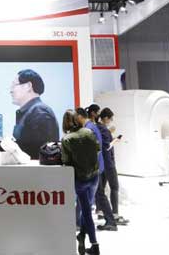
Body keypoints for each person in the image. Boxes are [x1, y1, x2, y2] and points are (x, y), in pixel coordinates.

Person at [61, 109, 101, 255]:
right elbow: (98, 149)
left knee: (86, 212)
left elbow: (66, 161)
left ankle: (95, 245)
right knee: (87, 209)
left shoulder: (66, 139)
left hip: (80, 180)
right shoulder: (89, 132)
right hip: (94, 176)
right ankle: (82, 236)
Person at [77, 107, 116, 231]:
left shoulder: (89, 129)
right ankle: (79, 221)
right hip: (96, 166)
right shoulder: (91, 127)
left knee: (97, 194)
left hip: (93, 167)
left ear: (79, 117)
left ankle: (111, 221)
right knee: (95, 194)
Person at [10, 69, 59, 158]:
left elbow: (40, 151)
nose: (11, 90)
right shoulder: (30, 111)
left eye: (14, 85)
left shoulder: (39, 112)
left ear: (28, 86)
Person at [98, 107, 127, 226]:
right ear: (106, 118)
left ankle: (101, 211)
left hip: (101, 163)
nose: (111, 121)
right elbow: (107, 147)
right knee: (114, 187)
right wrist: (115, 140)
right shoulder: (104, 130)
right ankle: (115, 214)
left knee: (101, 189)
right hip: (108, 163)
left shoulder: (97, 127)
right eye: (110, 119)